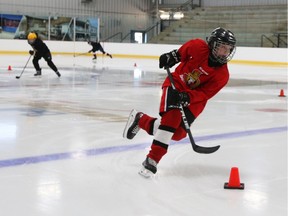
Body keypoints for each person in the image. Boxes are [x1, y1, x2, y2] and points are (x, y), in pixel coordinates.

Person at [123, 27, 236, 177]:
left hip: (193, 100)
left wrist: (188, 97)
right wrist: (171, 57)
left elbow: (204, 94)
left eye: (228, 49)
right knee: (171, 122)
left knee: (177, 134)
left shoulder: (222, 75)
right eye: (222, 47)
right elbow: (180, 54)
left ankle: (141, 119)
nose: (225, 52)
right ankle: (152, 160)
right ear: (213, 44)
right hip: (176, 84)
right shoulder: (198, 47)